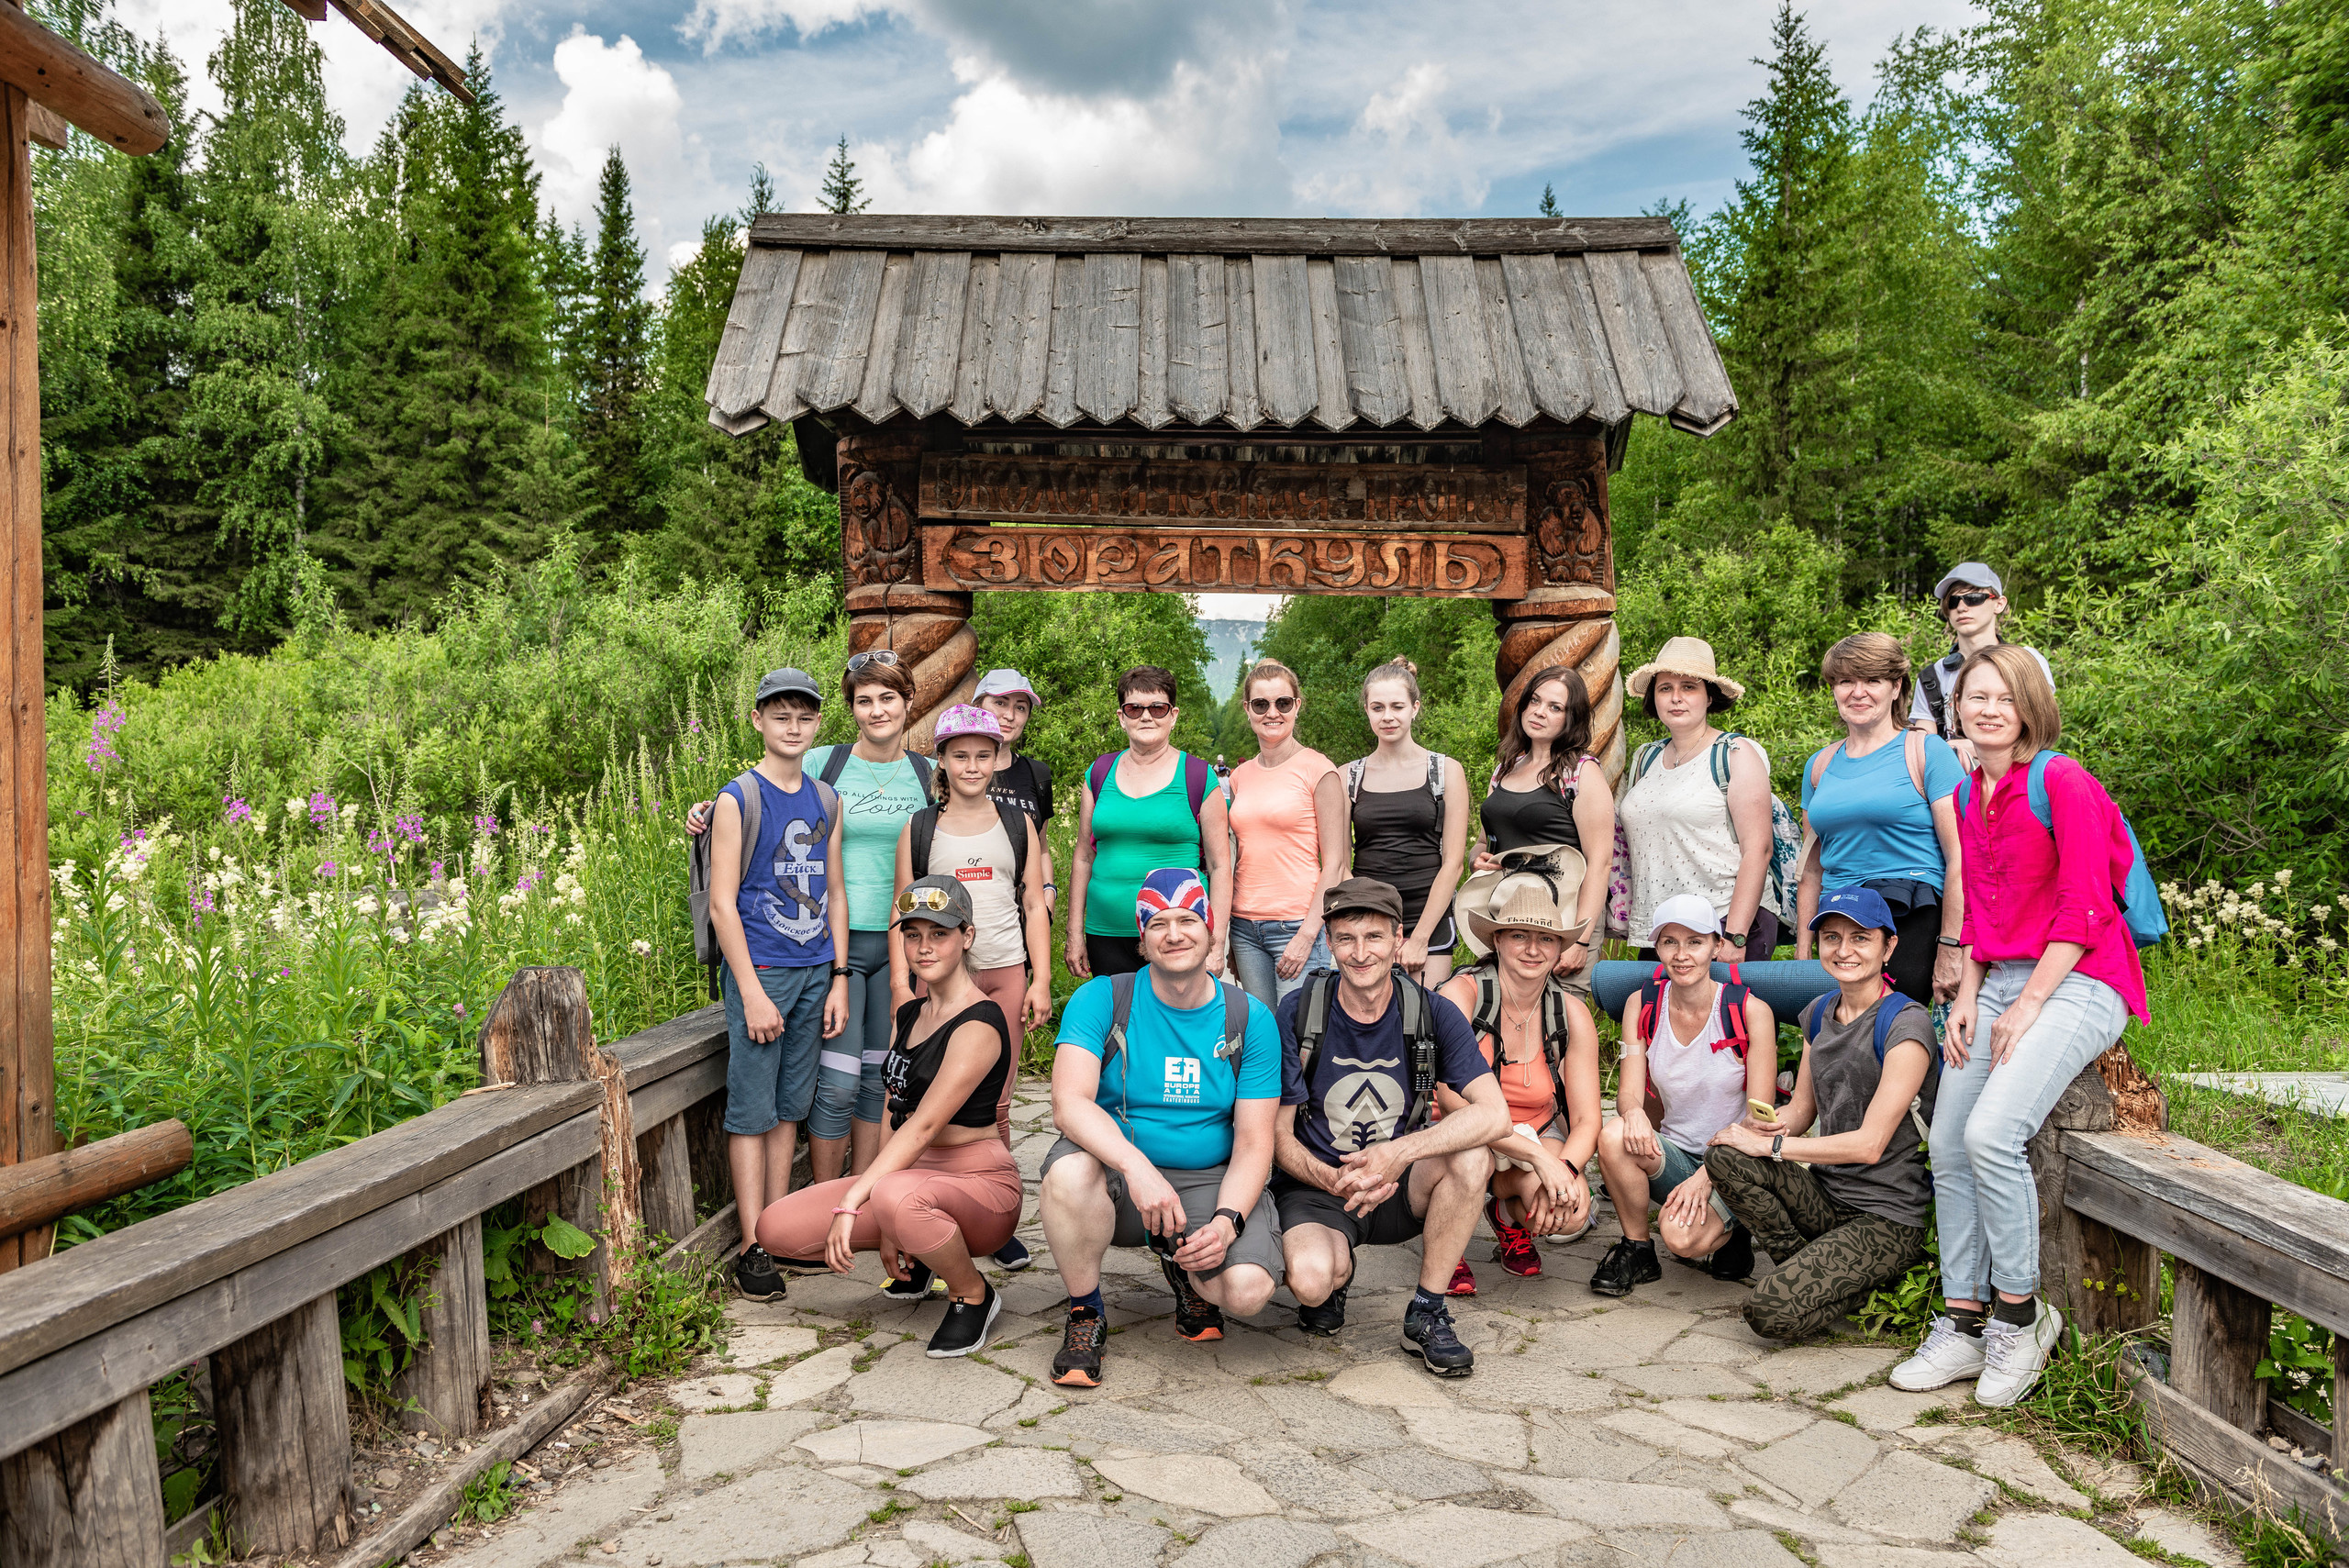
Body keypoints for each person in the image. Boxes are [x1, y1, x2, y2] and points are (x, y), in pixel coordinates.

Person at [1890, 644, 2148, 1407]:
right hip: (2000, 975)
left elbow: (2086, 904)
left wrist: (2028, 1002)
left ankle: (2021, 1316)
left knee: (1991, 1134)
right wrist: (1966, 994)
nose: (1988, 708)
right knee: (1946, 1139)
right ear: (1956, 709)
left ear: (2030, 704)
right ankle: (1965, 1319)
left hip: (2082, 976)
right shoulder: (1971, 792)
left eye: (2004, 696)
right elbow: (1982, 912)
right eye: (1974, 697)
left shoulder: (2059, 778)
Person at [686, 651, 935, 1184]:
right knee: (837, 1082)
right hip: (830, 945)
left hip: (903, 944)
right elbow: (771, 789)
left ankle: (862, 1198)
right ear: (847, 710)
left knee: (879, 1079)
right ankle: (823, 1201)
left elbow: (971, 807)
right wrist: (706, 810)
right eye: (864, 701)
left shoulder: (928, 774)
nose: (876, 711)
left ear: (909, 704)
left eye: (888, 698)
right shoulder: (828, 763)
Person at [753, 876, 1020, 1357]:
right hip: (911, 1181)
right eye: (913, 934)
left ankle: (973, 1293)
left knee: (894, 1193)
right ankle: (917, 1250)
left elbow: (923, 1127)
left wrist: (859, 1198)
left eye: (939, 934)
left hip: (979, 1185)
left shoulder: (981, 1021)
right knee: (775, 1229)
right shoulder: (911, 1013)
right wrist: (871, 1196)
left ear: (968, 936)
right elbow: (892, 1106)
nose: (924, 946)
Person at [1040, 868, 1285, 1388]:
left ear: (1211, 928)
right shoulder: (1102, 998)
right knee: (1066, 1173)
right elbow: (1068, 1104)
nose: (1175, 934)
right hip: (1120, 1179)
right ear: (1142, 939)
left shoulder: (1249, 1017)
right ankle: (1086, 1311)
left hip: (1205, 1180)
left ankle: (1188, 1265)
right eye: (1159, 924)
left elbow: (1254, 1142)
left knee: (1245, 1292)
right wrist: (1136, 1166)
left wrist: (1226, 1223)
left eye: (1188, 920)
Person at [1274, 877, 1508, 1377]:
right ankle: (1336, 1278)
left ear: (1399, 939)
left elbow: (1495, 1114)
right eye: (1346, 938)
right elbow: (1275, 1134)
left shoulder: (1432, 1011)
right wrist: (1333, 1178)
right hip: (1319, 1186)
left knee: (1474, 1155)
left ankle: (1427, 1311)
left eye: (1375, 937)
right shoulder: (1299, 1012)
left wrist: (1398, 1155)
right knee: (1312, 1282)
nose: (1361, 953)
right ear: (1330, 942)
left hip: (1401, 1186)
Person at [1705, 887, 1939, 1342]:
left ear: (1888, 946)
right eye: (1832, 937)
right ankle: (1808, 1267)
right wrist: (1767, 1128)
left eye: (1860, 938)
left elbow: (1870, 1146)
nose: (1844, 950)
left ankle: (1859, 1284)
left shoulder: (1906, 1024)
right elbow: (1802, 1110)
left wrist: (1773, 1147)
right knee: (1726, 1157)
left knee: (1768, 1313)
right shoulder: (1817, 1014)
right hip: (1828, 1197)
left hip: (1886, 1218)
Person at [705, 668, 851, 1302]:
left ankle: (780, 1228)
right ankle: (750, 1245)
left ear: (819, 724)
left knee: (791, 1107)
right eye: (781, 715)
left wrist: (840, 975)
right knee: (752, 1109)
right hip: (761, 970)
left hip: (816, 968)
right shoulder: (739, 797)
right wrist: (751, 989)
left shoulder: (826, 798)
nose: (793, 726)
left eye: (805, 716)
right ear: (759, 720)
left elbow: (836, 891)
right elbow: (721, 904)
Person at [894, 703, 1052, 1273]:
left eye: (983, 756)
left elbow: (1033, 901)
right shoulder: (920, 827)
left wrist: (1041, 979)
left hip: (1002, 969)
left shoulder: (1017, 823)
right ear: (941, 760)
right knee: (919, 1097)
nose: (972, 766)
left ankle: (996, 1216)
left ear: (996, 760)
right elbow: (902, 908)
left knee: (997, 1101)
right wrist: (900, 984)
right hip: (934, 980)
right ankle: (925, 1213)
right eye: (960, 756)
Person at [1589, 895, 1777, 1297]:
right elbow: (1628, 1094)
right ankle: (1637, 1248)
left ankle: (1738, 1227)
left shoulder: (1749, 1010)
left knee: (1684, 1241)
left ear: (1717, 945)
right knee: (1613, 1134)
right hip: (1677, 1152)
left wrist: (1707, 1176)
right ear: (1656, 948)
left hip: (1735, 1161)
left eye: (1694, 941)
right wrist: (1633, 1113)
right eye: (1669, 942)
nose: (1682, 954)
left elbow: (1759, 1121)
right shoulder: (1643, 1004)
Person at [1433, 873, 1602, 1293]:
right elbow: (1453, 1100)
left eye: (1546, 939)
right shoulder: (1463, 995)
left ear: (1560, 947)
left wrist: (1562, 1168)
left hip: (1532, 1129)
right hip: (1458, 1130)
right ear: (1497, 941)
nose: (1532, 949)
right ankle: (1445, 1245)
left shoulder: (1571, 1013)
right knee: (1475, 1158)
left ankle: (1506, 1215)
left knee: (1573, 1208)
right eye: (1519, 936)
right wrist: (1538, 1161)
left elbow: (1587, 1120)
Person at [1796, 632, 1965, 1007]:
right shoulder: (1820, 765)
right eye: (1845, 681)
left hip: (1908, 914)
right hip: (1836, 917)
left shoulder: (1925, 751)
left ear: (1896, 687)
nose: (1858, 692)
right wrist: (1802, 952)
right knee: (1838, 1038)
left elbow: (1960, 859)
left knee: (1894, 1034)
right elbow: (1810, 870)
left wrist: (1951, 947)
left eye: (1872, 680)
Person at [1618, 637, 1778, 962]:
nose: (1676, 698)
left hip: (1721, 923)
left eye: (1689, 687)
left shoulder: (1735, 753)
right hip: (1661, 929)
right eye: (1665, 688)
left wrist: (1735, 935)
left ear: (1709, 697)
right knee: (1658, 1013)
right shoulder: (1644, 758)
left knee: (1733, 1013)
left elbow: (1758, 849)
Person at [1065, 666, 1231, 981]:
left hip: (1178, 936)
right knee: (1117, 1023)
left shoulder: (1197, 776)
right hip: (1107, 933)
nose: (1146, 717)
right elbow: (1084, 856)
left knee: (1178, 1024)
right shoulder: (1099, 772)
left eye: (1157, 708)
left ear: (1173, 716)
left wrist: (1216, 940)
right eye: (1134, 708)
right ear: (1121, 716)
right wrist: (1075, 932)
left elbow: (1221, 865)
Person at [1462, 666, 1610, 992]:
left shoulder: (1581, 773)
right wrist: (1477, 859)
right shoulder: (1505, 769)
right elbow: (1484, 841)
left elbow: (1600, 863)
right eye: (1535, 701)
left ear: (1571, 719)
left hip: (1563, 921)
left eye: (1555, 707)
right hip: (1509, 915)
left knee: (1559, 1019)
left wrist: (1580, 940)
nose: (1540, 712)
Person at [1224, 659, 1348, 1007]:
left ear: (1297, 706)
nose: (1272, 713)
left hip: (1298, 923)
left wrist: (1309, 934)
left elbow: (1335, 862)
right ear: (1248, 709)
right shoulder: (1240, 776)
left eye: (1283, 703)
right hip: (1246, 927)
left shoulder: (1319, 770)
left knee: (1300, 1038)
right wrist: (1232, 935)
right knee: (1260, 1035)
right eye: (1261, 704)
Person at [1346, 657, 1471, 986]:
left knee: (1424, 1028)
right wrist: (1355, 926)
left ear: (1414, 708)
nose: (1387, 716)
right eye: (1377, 707)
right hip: (1366, 920)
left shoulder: (1446, 772)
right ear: (1367, 711)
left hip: (1427, 921)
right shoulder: (1348, 776)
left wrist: (1419, 938)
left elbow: (1454, 863)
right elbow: (1340, 864)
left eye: (1397, 706)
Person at [1910, 563, 2053, 769]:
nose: (1961, 607)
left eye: (1973, 598)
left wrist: (1975, 748)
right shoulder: (1933, 676)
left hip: (2019, 780)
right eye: (1953, 601)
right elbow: (1922, 747)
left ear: (1999, 604)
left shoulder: (2028, 660)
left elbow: (2042, 730)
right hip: (1955, 786)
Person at [973, 668, 1059, 913]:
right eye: (1000, 702)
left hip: (1024, 916)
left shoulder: (1037, 774)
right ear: (978, 706)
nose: (1009, 715)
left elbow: (1041, 848)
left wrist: (1048, 895)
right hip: (964, 913)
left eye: (1020, 707)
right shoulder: (951, 773)